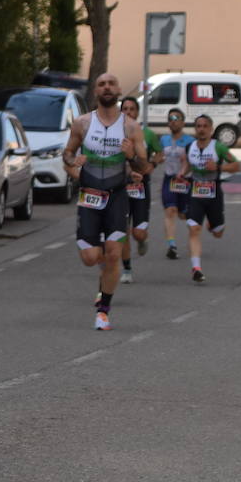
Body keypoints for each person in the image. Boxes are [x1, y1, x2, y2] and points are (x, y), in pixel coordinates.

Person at [62, 73, 151, 331]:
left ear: (119, 89)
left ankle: (103, 311)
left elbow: (144, 167)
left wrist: (131, 155)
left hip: (117, 195)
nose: (107, 87)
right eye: (102, 84)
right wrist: (73, 163)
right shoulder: (82, 123)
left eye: (112, 83)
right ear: (95, 91)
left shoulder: (132, 127)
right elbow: (67, 153)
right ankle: (100, 256)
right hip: (89, 195)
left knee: (113, 255)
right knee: (91, 258)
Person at [178, 114, 240, 283]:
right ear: (195, 129)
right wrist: (182, 173)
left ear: (211, 130)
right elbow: (188, 164)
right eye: (198, 126)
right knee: (193, 229)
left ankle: (212, 224)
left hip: (214, 193)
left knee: (218, 232)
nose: (202, 129)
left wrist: (218, 166)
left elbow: (236, 165)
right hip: (195, 192)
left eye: (205, 126)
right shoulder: (190, 146)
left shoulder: (218, 147)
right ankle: (196, 268)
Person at [117, 96, 159, 283]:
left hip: (141, 187)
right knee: (123, 230)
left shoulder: (147, 134)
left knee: (138, 232)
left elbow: (160, 152)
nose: (128, 112)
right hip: (121, 187)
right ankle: (127, 268)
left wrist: (152, 164)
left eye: (132, 109)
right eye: (124, 109)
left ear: (137, 112)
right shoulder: (113, 133)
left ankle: (142, 240)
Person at [156, 108, 194, 260]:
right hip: (170, 179)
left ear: (183, 122)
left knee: (183, 214)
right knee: (170, 210)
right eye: (170, 118)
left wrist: (183, 173)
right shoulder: (164, 140)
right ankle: (171, 245)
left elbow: (190, 161)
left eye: (176, 118)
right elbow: (158, 156)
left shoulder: (190, 141)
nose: (173, 121)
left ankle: (193, 238)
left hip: (185, 180)